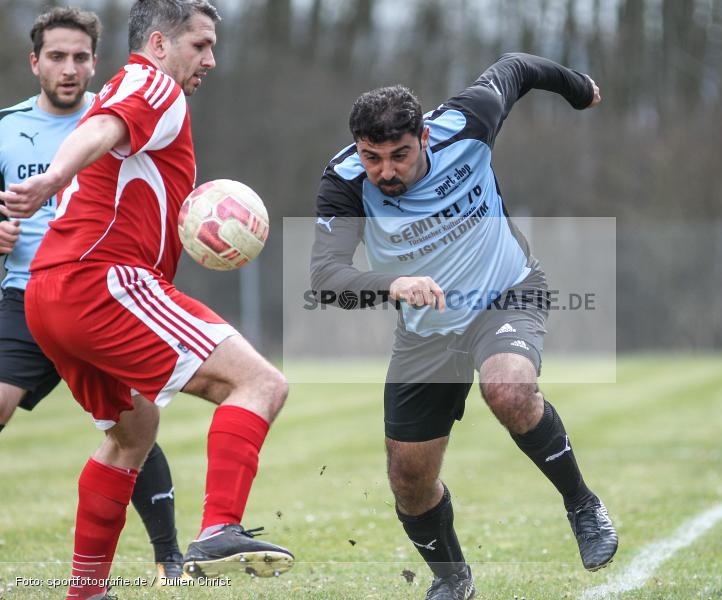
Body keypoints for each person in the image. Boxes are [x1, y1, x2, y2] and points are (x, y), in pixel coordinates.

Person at [0, 2, 292, 597]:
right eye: (200, 45)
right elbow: (102, 131)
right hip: (100, 282)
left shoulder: (126, 87)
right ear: (159, 44)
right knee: (260, 384)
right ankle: (219, 529)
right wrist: (53, 178)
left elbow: (103, 134)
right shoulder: (154, 84)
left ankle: (86, 590)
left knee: (134, 431)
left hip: (48, 292)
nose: (210, 59)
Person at [311, 53, 617, 599]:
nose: (385, 172)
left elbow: (517, 68)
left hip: (505, 292)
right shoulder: (345, 180)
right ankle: (452, 579)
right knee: (409, 479)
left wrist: (576, 88)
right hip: (426, 329)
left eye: (399, 155)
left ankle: (582, 505)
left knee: (509, 388)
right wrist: (393, 284)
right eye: (372, 157)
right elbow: (326, 277)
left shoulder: (467, 121)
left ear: (424, 138)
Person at [0, 6, 188, 583]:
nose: (69, 68)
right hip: (25, 296)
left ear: (95, 62)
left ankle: (170, 557)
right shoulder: (6, 128)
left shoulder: (120, 116)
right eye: (57, 57)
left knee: (132, 423)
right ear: (34, 62)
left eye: (80, 57)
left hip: (103, 296)